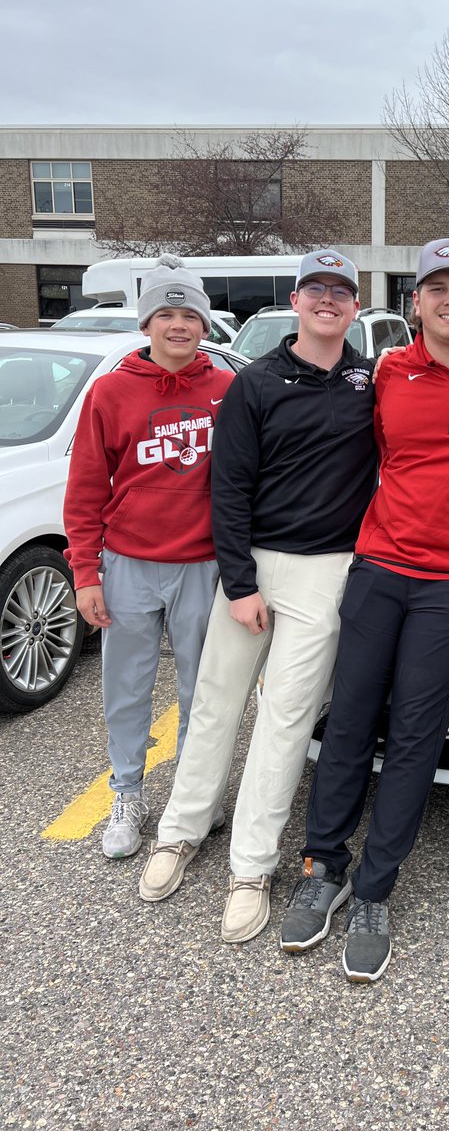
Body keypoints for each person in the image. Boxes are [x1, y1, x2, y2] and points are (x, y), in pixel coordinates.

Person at [280, 238, 449, 983]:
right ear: (416, 301)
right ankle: (322, 867)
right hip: (381, 566)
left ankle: (373, 890)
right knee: (350, 722)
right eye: (437, 288)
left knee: (416, 736)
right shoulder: (389, 371)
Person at [138, 251, 379, 945]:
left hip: (328, 571)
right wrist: (240, 583)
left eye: (340, 292)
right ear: (296, 302)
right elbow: (229, 488)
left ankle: (251, 868)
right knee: (215, 705)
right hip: (257, 567)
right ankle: (180, 833)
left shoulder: (373, 381)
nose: (327, 301)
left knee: (285, 721)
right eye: (315, 291)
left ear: (353, 307)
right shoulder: (257, 383)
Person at [63, 255, 233, 859]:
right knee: (126, 687)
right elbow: (85, 488)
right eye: (166, 313)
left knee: (202, 690)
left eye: (189, 313)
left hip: (203, 565)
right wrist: (86, 572)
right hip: (128, 562)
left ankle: (193, 794)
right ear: (147, 324)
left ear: (205, 325)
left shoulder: (227, 391)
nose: (178, 324)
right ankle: (128, 793)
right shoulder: (109, 393)